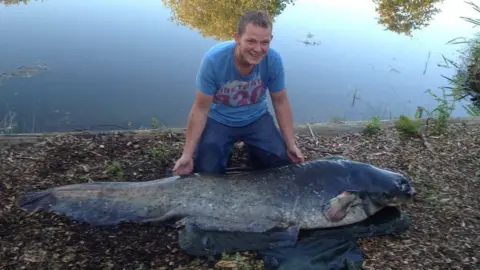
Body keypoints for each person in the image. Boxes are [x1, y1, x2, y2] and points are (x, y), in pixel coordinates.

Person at [172, 9, 304, 176]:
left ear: (271, 40)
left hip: (256, 118)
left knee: (280, 163)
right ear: (237, 38)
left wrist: (290, 144)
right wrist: (187, 155)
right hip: (219, 119)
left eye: (265, 42)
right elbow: (200, 109)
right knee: (207, 171)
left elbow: (280, 102)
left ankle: (254, 154)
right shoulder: (214, 60)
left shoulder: (273, 60)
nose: (258, 49)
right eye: (251, 41)